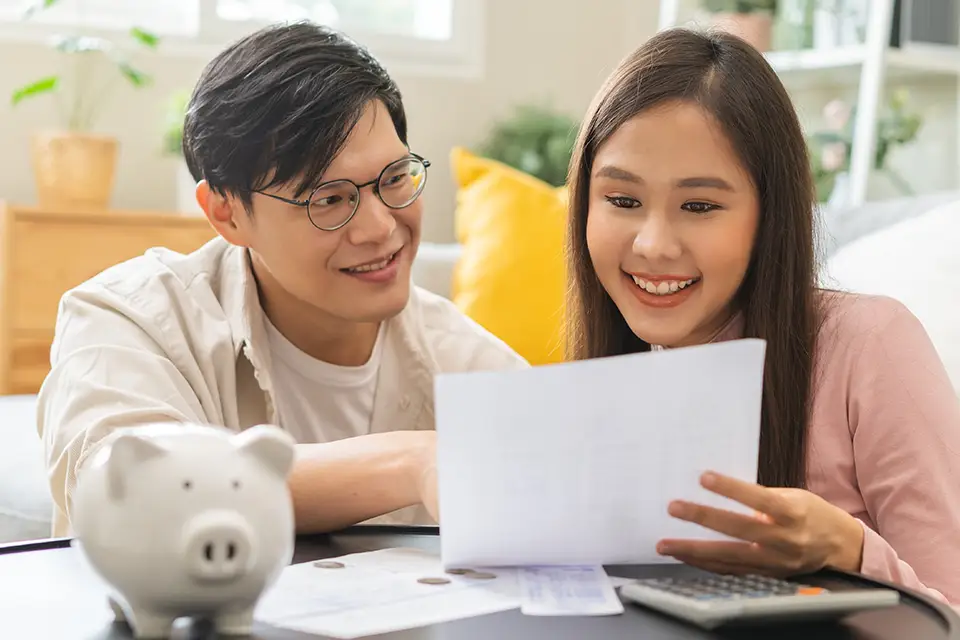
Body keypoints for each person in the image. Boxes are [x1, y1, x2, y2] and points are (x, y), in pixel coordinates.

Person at [36, 21, 526, 539]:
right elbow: (129, 493)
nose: (382, 227)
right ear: (226, 214)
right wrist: (412, 462)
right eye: (329, 199)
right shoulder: (132, 320)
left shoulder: (465, 361)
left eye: (395, 177)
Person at [564, 28, 960, 605]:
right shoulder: (603, 378)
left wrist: (849, 552)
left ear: (769, 216)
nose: (652, 245)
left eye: (699, 206)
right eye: (622, 201)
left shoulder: (870, 345)